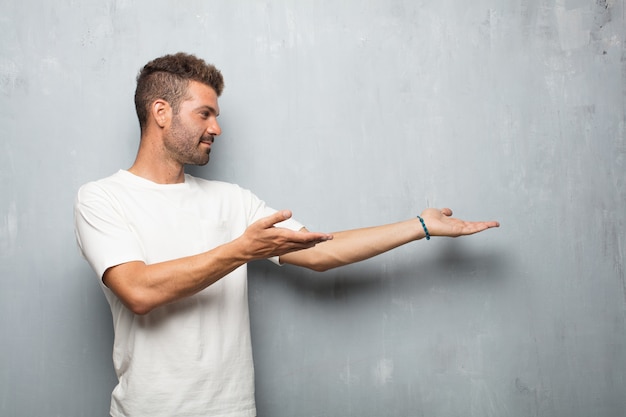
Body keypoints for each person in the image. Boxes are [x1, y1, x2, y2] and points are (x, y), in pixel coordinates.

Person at [74, 52, 499, 417]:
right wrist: (240, 251)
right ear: (161, 112)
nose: (216, 128)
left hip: (234, 410)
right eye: (204, 113)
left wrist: (420, 226)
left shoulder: (231, 200)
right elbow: (138, 292)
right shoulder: (102, 199)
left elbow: (318, 252)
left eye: (216, 116)